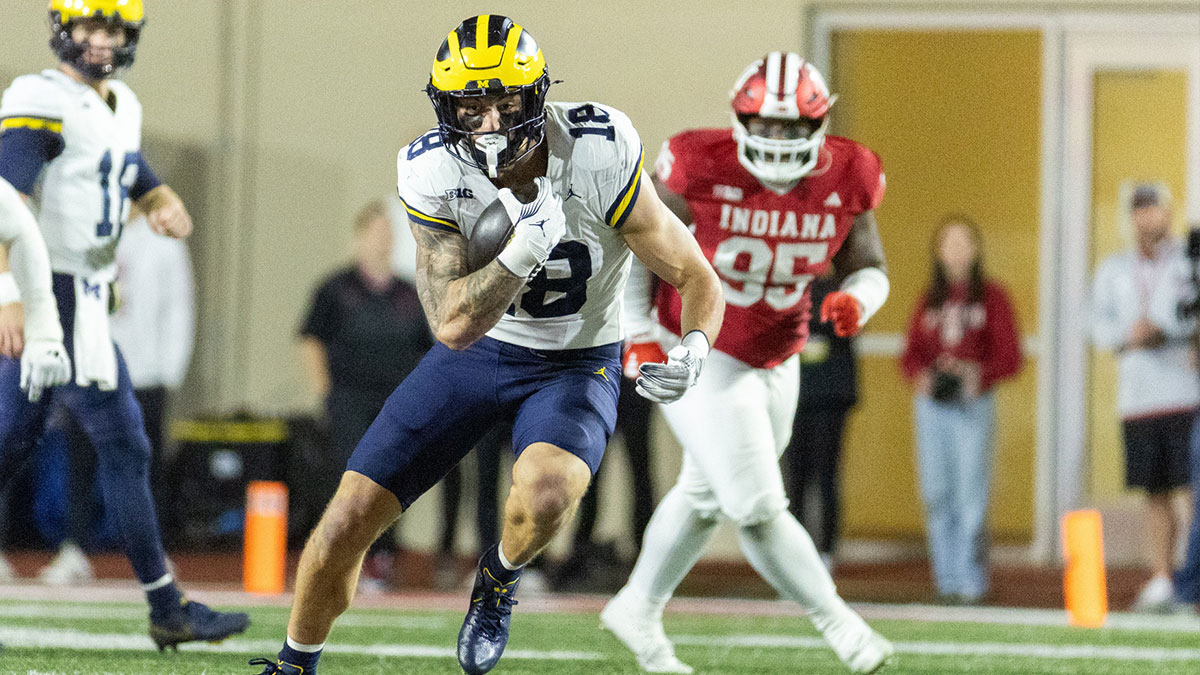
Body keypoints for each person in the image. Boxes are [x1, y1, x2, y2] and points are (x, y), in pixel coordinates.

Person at [249, 15, 723, 675]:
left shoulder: (599, 146)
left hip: (577, 359)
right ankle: (295, 662)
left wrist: (697, 346)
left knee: (548, 495)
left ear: (538, 95)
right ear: (447, 109)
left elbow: (695, 272)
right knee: (347, 517)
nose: (492, 122)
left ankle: (498, 576)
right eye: (471, 107)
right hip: (477, 353)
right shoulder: (432, 168)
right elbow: (450, 323)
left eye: (506, 101)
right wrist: (522, 251)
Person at [604, 52, 894, 675]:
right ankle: (840, 625)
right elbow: (637, 249)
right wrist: (636, 335)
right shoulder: (698, 164)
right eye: (765, 124)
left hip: (780, 353)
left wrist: (858, 299)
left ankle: (636, 607)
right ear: (740, 120)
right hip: (698, 347)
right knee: (758, 505)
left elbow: (869, 263)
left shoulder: (849, 173)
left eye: (792, 128)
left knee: (706, 493)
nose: (778, 139)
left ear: (819, 127)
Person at [0, 0, 248, 648]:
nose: (102, 39)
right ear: (63, 28)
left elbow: (121, 164)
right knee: (10, 441)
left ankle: (167, 605)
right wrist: (9, 295)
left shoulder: (120, 105)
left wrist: (158, 195)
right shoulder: (39, 95)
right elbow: (6, 198)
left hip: (85, 297)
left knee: (122, 442)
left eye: (113, 27)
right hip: (45, 287)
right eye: (90, 25)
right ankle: (167, 604)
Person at [297, 200, 433, 592]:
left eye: (388, 232)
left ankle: (381, 559)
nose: (383, 240)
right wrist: (326, 392)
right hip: (350, 400)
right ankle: (340, 557)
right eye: (375, 231)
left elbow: (429, 348)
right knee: (353, 480)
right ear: (359, 237)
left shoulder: (409, 292)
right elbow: (311, 340)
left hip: (395, 403)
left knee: (392, 479)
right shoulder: (335, 289)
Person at [900, 215, 1022, 606]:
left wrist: (976, 376)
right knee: (937, 491)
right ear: (938, 251)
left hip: (973, 405)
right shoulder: (929, 298)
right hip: (933, 406)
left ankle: (972, 578)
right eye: (948, 242)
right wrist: (924, 376)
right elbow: (910, 354)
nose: (956, 250)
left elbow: (1009, 355)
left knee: (972, 493)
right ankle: (946, 576)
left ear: (976, 249)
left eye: (964, 241)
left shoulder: (992, 296)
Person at [1090, 184, 1198, 612]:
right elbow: (1095, 320)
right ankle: (1162, 576)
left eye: (1154, 208)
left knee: (1193, 490)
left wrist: (1166, 331)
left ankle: (1193, 572)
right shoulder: (1113, 268)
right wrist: (1126, 335)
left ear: (1168, 212)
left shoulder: (1187, 262)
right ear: (1130, 216)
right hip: (1137, 395)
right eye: (1140, 210)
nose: (1147, 217)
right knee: (1155, 491)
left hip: (1184, 393)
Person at [785, 272, 860, 571]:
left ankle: (826, 553)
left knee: (826, 475)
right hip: (794, 396)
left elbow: (847, 329)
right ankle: (793, 558)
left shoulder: (846, 286)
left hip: (831, 396)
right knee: (795, 478)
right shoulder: (789, 284)